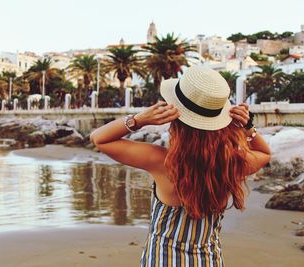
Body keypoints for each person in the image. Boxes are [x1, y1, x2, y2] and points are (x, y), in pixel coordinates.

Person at [90, 66, 271, 267]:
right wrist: (248, 128)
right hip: (208, 261)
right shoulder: (230, 163)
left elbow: (99, 139)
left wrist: (139, 120)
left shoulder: (162, 162)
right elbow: (264, 154)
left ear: (176, 120)